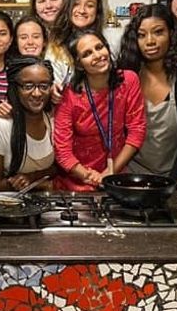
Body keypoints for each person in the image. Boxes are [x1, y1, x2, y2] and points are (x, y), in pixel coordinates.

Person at [116, 4, 177, 179]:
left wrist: (172, 183)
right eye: (142, 35)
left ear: (171, 34)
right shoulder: (124, 77)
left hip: (172, 177)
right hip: (128, 176)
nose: (150, 41)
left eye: (158, 32)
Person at [53, 30, 146, 192]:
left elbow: (137, 131)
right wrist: (90, 176)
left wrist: (110, 173)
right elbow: (62, 151)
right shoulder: (69, 95)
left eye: (99, 47)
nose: (97, 55)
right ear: (80, 64)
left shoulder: (129, 80)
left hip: (116, 177)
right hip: (77, 184)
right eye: (87, 53)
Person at [0, 57, 57, 192]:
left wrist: (32, 177)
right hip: (9, 207)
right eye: (28, 86)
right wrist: (38, 186)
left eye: (44, 86)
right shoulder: (1, 125)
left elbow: (58, 167)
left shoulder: (53, 120)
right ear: (15, 88)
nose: (37, 93)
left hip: (47, 206)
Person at [46, 0, 105, 87]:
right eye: (76, 4)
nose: (82, 10)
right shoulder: (56, 47)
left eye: (90, 5)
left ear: (97, 12)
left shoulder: (105, 44)